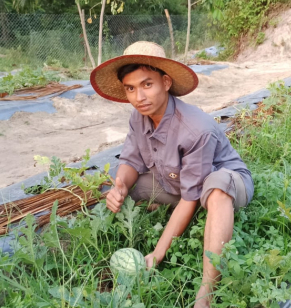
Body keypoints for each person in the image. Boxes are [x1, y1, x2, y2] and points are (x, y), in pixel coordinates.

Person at [90, 41, 254, 307]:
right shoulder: (138, 117)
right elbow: (131, 159)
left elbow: (192, 196)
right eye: (130, 88)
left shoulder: (195, 128)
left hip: (225, 180)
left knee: (217, 189)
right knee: (118, 190)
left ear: (165, 82)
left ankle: (207, 292)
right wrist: (119, 186)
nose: (138, 97)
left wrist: (157, 253)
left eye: (147, 85)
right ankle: (164, 205)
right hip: (176, 182)